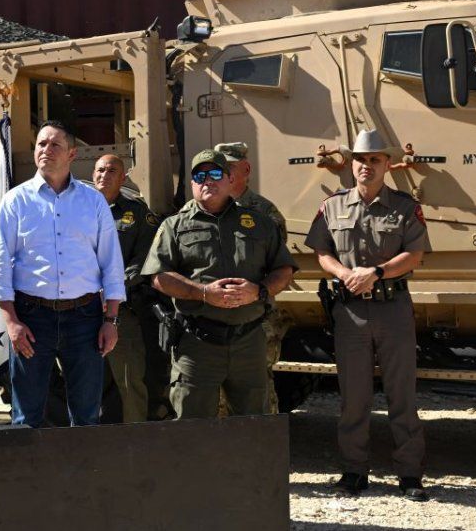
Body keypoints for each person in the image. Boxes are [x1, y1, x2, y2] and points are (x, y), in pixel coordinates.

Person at [304, 129, 431, 501]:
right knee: (353, 397)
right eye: (360, 159)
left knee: (401, 394)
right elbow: (322, 251)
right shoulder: (333, 206)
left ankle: (409, 475)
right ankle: (354, 472)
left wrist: (375, 272)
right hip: (350, 312)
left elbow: (415, 255)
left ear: (388, 165)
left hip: (393, 308)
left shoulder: (406, 207)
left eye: (375, 159)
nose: (366, 166)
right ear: (352, 164)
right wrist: (343, 273)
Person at [0, 120, 125, 427]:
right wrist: (10, 321)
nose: (45, 150)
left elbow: (111, 263)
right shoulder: (15, 201)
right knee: (26, 415)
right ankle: (30, 475)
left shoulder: (94, 202)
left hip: (85, 319)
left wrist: (110, 320)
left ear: (72, 154)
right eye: (40, 144)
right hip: (31, 319)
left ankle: (82, 475)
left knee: (87, 414)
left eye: (55, 145)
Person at [142, 149, 297, 420]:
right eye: (199, 175)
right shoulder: (174, 226)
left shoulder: (259, 223)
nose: (207, 181)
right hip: (197, 345)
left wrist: (257, 291)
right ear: (191, 183)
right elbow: (158, 276)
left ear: (229, 180)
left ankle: (247, 466)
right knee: (193, 429)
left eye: (215, 174)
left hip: (248, 343)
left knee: (253, 427)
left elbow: (283, 269)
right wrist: (203, 293)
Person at [215, 141, 290, 415]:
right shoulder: (203, 208)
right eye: (219, 168)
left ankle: (264, 451)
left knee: (258, 389)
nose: (224, 174)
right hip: (215, 317)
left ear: (246, 169)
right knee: (217, 395)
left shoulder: (264, 213)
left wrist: (255, 293)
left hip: (256, 317)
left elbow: (279, 268)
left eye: (230, 167)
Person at [92, 154, 160, 423]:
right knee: (84, 381)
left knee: (130, 380)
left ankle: (135, 439)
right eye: (99, 170)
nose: (103, 175)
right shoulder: (76, 210)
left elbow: (144, 258)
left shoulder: (138, 213)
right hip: (81, 309)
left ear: (123, 178)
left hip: (121, 311)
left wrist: (111, 291)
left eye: (111, 171)